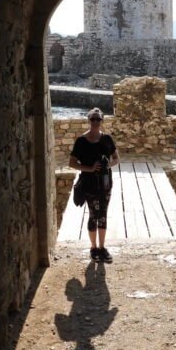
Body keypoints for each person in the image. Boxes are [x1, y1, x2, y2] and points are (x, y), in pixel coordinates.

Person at [69, 107, 119, 263]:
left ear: (102, 121)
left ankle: (102, 248)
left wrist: (107, 165)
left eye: (98, 119)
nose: (96, 122)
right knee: (92, 214)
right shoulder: (81, 141)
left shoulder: (107, 139)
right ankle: (93, 248)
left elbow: (116, 158)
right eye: (93, 119)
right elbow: (72, 163)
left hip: (105, 184)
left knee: (103, 215)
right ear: (88, 120)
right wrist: (89, 168)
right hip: (89, 184)